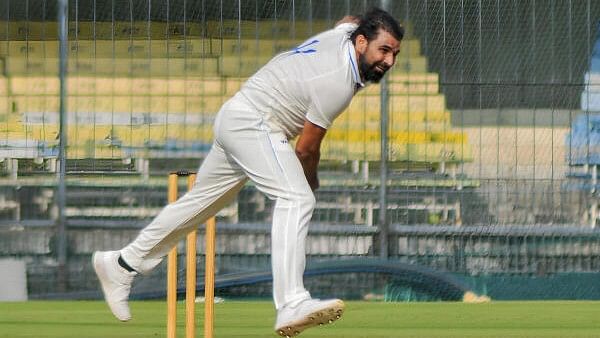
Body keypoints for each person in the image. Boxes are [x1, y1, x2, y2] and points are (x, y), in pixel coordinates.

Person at [93, 7, 403, 337]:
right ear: (360, 43)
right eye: (383, 50)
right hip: (255, 123)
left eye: (395, 53)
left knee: (197, 206)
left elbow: (348, 20)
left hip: (239, 115)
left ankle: (121, 264)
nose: (389, 61)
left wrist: (367, 20)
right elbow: (306, 149)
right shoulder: (337, 81)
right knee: (297, 198)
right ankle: (291, 303)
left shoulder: (343, 35)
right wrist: (310, 182)